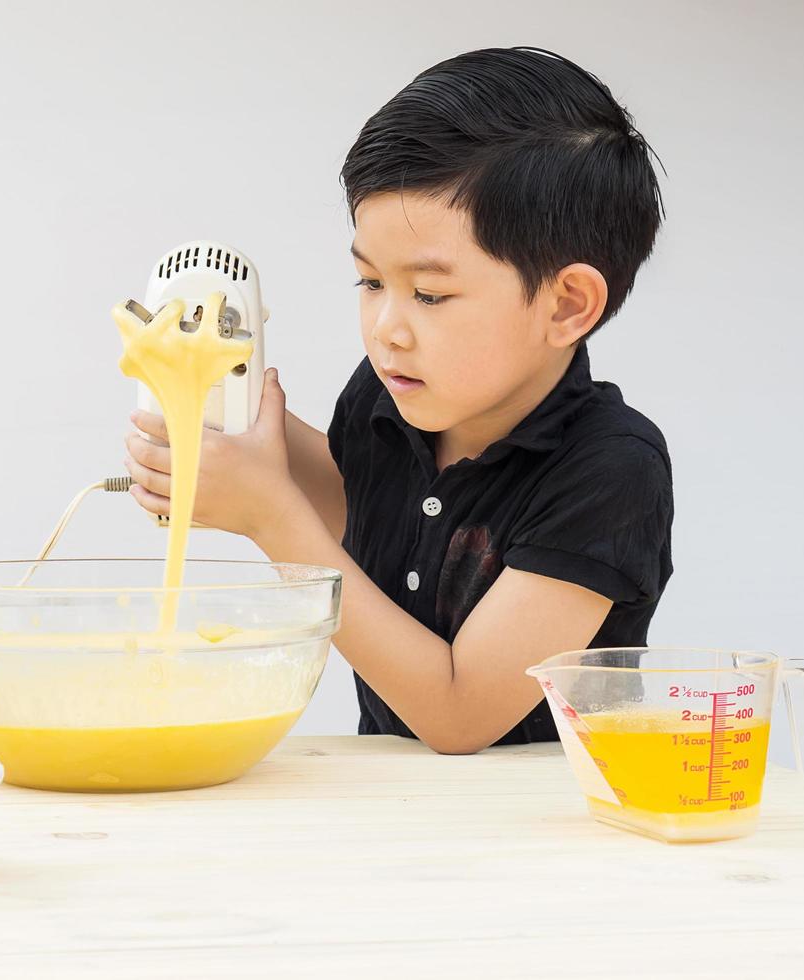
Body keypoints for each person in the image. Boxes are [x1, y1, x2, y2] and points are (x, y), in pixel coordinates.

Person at [123, 47, 673, 753]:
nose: (386, 329)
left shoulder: (609, 469)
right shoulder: (388, 398)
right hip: (400, 810)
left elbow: (457, 713)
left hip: (550, 826)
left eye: (429, 294)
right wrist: (221, 404)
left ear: (566, 304)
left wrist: (267, 516)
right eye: (369, 283)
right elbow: (357, 518)